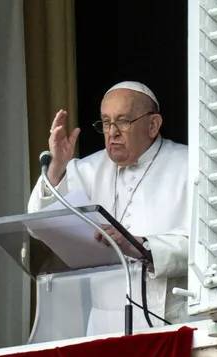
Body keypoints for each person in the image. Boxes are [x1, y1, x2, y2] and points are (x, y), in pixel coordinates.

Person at [27, 81, 189, 335]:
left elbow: (206, 249)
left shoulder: (189, 165)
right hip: (103, 327)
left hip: (171, 321)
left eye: (123, 121)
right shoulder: (85, 169)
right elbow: (37, 225)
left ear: (153, 125)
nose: (112, 132)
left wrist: (142, 247)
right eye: (105, 122)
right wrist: (57, 167)